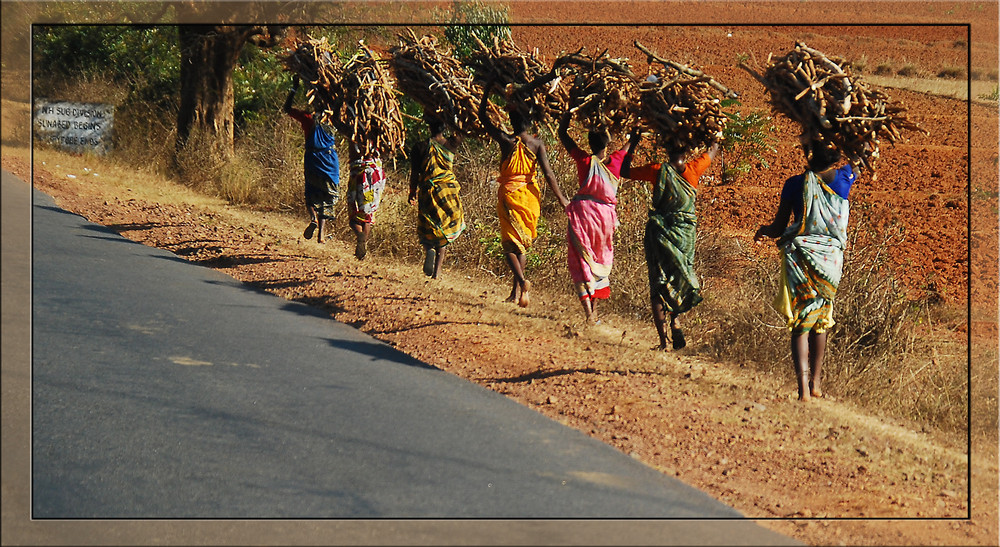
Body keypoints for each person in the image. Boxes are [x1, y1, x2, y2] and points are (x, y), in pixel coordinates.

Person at [753, 140, 858, 401]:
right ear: (835, 157)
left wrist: (763, 231)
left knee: (801, 320)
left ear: (809, 155)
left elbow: (778, 228)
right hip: (830, 263)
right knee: (820, 320)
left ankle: (802, 390)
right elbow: (861, 157)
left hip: (799, 258)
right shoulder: (844, 179)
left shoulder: (794, 185)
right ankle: (816, 383)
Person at [621, 132, 720, 350]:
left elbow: (623, 171)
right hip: (685, 235)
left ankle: (662, 341)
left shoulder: (657, 171)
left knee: (658, 281)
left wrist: (634, 141)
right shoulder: (694, 169)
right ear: (686, 150)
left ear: (665, 149)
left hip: (661, 233)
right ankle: (676, 319)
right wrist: (713, 132)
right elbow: (713, 149)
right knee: (680, 276)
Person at [478, 91, 570, 307]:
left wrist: (488, 89)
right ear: (530, 122)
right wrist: (562, 199)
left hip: (510, 194)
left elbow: (482, 118)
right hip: (530, 196)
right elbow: (549, 174)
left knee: (510, 245)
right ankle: (517, 293)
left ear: (511, 121)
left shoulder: (506, 140)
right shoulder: (537, 144)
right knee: (522, 245)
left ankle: (521, 282)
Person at [557, 110, 637, 322]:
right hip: (605, 220)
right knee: (599, 260)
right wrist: (637, 123)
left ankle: (588, 312)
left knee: (581, 260)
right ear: (607, 144)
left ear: (590, 143)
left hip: (583, 216)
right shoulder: (617, 161)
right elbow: (632, 141)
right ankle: (594, 312)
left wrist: (566, 118)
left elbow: (563, 136)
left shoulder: (584, 160)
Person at [408, 113, 466, 279]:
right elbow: (463, 128)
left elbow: (414, 174)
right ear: (445, 127)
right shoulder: (451, 143)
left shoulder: (419, 147)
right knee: (444, 230)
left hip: (428, 192)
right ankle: (437, 272)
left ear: (429, 127)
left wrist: (412, 191)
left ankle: (429, 249)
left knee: (428, 226)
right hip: (448, 192)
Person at [284, 76, 341, 244]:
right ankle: (321, 235)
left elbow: (287, 109)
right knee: (327, 196)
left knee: (310, 193)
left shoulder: (308, 118)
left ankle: (313, 218)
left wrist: (294, 87)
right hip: (330, 161)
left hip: (313, 159)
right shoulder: (334, 120)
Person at [327, 103, 386, 260]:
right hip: (375, 176)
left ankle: (359, 235)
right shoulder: (377, 134)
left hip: (359, 176)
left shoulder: (352, 133)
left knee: (354, 216)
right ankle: (363, 244)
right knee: (368, 214)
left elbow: (336, 120)